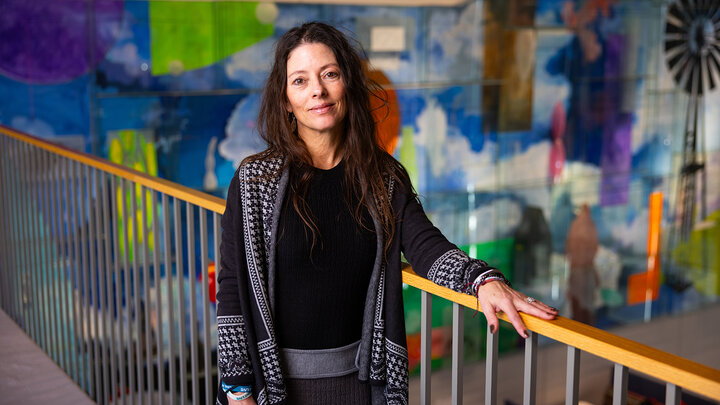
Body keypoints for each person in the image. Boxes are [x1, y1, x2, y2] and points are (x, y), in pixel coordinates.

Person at [216, 22, 558, 405]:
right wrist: (239, 391)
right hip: (274, 387)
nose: (318, 91)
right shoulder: (254, 181)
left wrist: (482, 280)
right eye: (300, 80)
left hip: (362, 385)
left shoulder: (383, 177)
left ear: (348, 84)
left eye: (330, 74)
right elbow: (232, 288)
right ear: (284, 98)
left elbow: (426, 245)